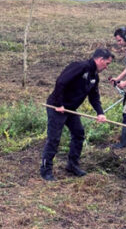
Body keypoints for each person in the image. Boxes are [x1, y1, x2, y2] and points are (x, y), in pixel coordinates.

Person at [40, 47, 114, 181]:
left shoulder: (94, 76)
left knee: (79, 133)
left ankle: (72, 165)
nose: (107, 67)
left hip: (71, 109)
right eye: (107, 63)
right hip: (56, 107)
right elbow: (61, 82)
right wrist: (58, 104)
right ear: (99, 59)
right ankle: (46, 170)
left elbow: (94, 97)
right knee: (54, 138)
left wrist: (100, 113)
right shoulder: (80, 67)